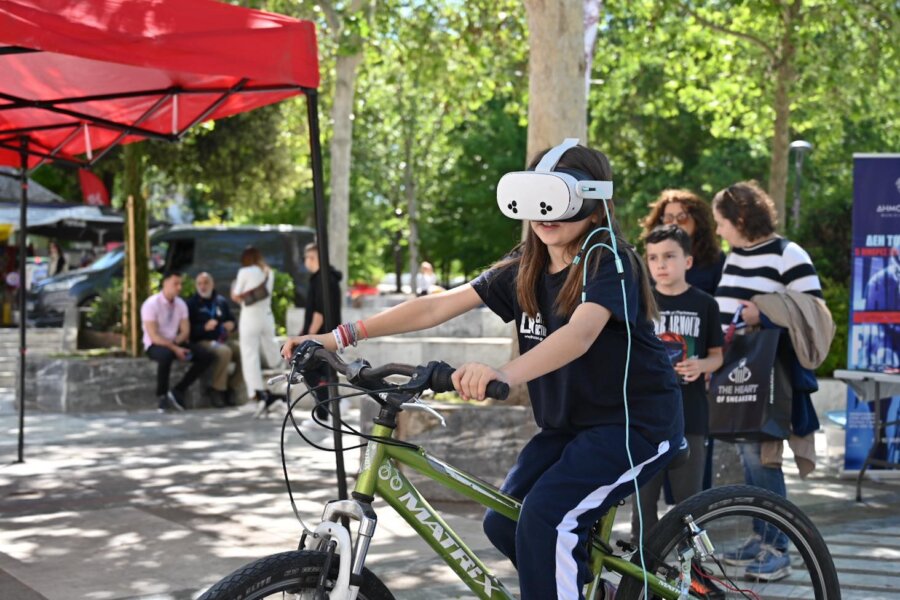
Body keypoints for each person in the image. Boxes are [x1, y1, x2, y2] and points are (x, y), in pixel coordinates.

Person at [283, 143, 683, 598]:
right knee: (503, 521)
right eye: (534, 198)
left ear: (593, 204)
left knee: (545, 519)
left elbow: (580, 334)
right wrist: (338, 337)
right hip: (568, 427)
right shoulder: (524, 267)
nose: (544, 213)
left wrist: (505, 373)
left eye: (558, 198)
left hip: (634, 426)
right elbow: (438, 305)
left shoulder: (607, 259)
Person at [713, 181, 823, 582]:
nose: (719, 231)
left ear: (741, 218)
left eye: (722, 222)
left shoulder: (787, 253)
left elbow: (813, 311)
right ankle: (762, 537)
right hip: (736, 373)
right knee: (748, 459)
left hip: (770, 376)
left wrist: (766, 314)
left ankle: (778, 550)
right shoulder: (735, 256)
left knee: (764, 461)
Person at [631, 226, 723, 541]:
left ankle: (693, 576)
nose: (661, 264)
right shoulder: (638, 303)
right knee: (642, 511)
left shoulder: (706, 304)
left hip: (691, 415)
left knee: (690, 509)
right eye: (653, 257)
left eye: (669, 256)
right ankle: (643, 581)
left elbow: (717, 356)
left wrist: (702, 365)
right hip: (644, 418)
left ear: (688, 261)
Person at [142, 271, 215, 412]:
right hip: (155, 344)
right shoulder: (151, 304)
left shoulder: (180, 304)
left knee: (206, 356)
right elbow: (154, 336)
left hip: (175, 341)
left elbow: (185, 331)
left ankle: (179, 390)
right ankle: (162, 396)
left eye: (180, 284)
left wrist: (177, 344)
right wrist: (175, 349)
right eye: (175, 284)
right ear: (165, 283)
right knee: (166, 357)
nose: (179, 287)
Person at [642, 189, 726, 296]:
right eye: (668, 218)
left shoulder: (715, 258)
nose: (675, 223)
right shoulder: (652, 260)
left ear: (697, 220)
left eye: (682, 217)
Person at [231, 246, 283, 416]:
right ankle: (278, 394)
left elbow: (237, 295)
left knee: (249, 356)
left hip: (250, 317)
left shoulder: (245, 271)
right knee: (273, 355)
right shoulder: (269, 272)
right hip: (266, 317)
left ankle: (257, 397)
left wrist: (234, 290)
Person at [300, 242, 342, 421]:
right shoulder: (323, 278)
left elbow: (319, 313)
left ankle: (326, 409)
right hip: (327, 335)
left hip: (321, 335)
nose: (307, 262)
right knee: (325, 370)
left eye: (310, 258)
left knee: (310, 367)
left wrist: (308, 337)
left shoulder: (322, 280)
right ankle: (325, 410)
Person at [187, 272, 242, 408]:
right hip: (203, 341)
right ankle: (217, 390)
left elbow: (232, 321)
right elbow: (189, 331)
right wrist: (203, 328)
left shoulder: (220, 301)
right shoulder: (192, 303)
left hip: (222, 338)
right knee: (224, 352)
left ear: (212, 284)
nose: (203, 286)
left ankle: (232, 386)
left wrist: (232, 325)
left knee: (243, 351)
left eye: (206, 283)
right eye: (199, 283)